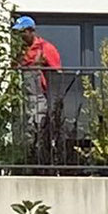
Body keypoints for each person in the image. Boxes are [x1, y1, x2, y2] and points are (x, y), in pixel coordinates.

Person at [14, 16, 62, 158]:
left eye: (22, 32)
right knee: (21, 131)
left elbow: (58, 74)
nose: (20, 37)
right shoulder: (19, 51)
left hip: (38, 97)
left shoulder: (46, 48)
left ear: (30, 31)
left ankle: (37, 159)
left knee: (36, 128)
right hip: (20, 98)